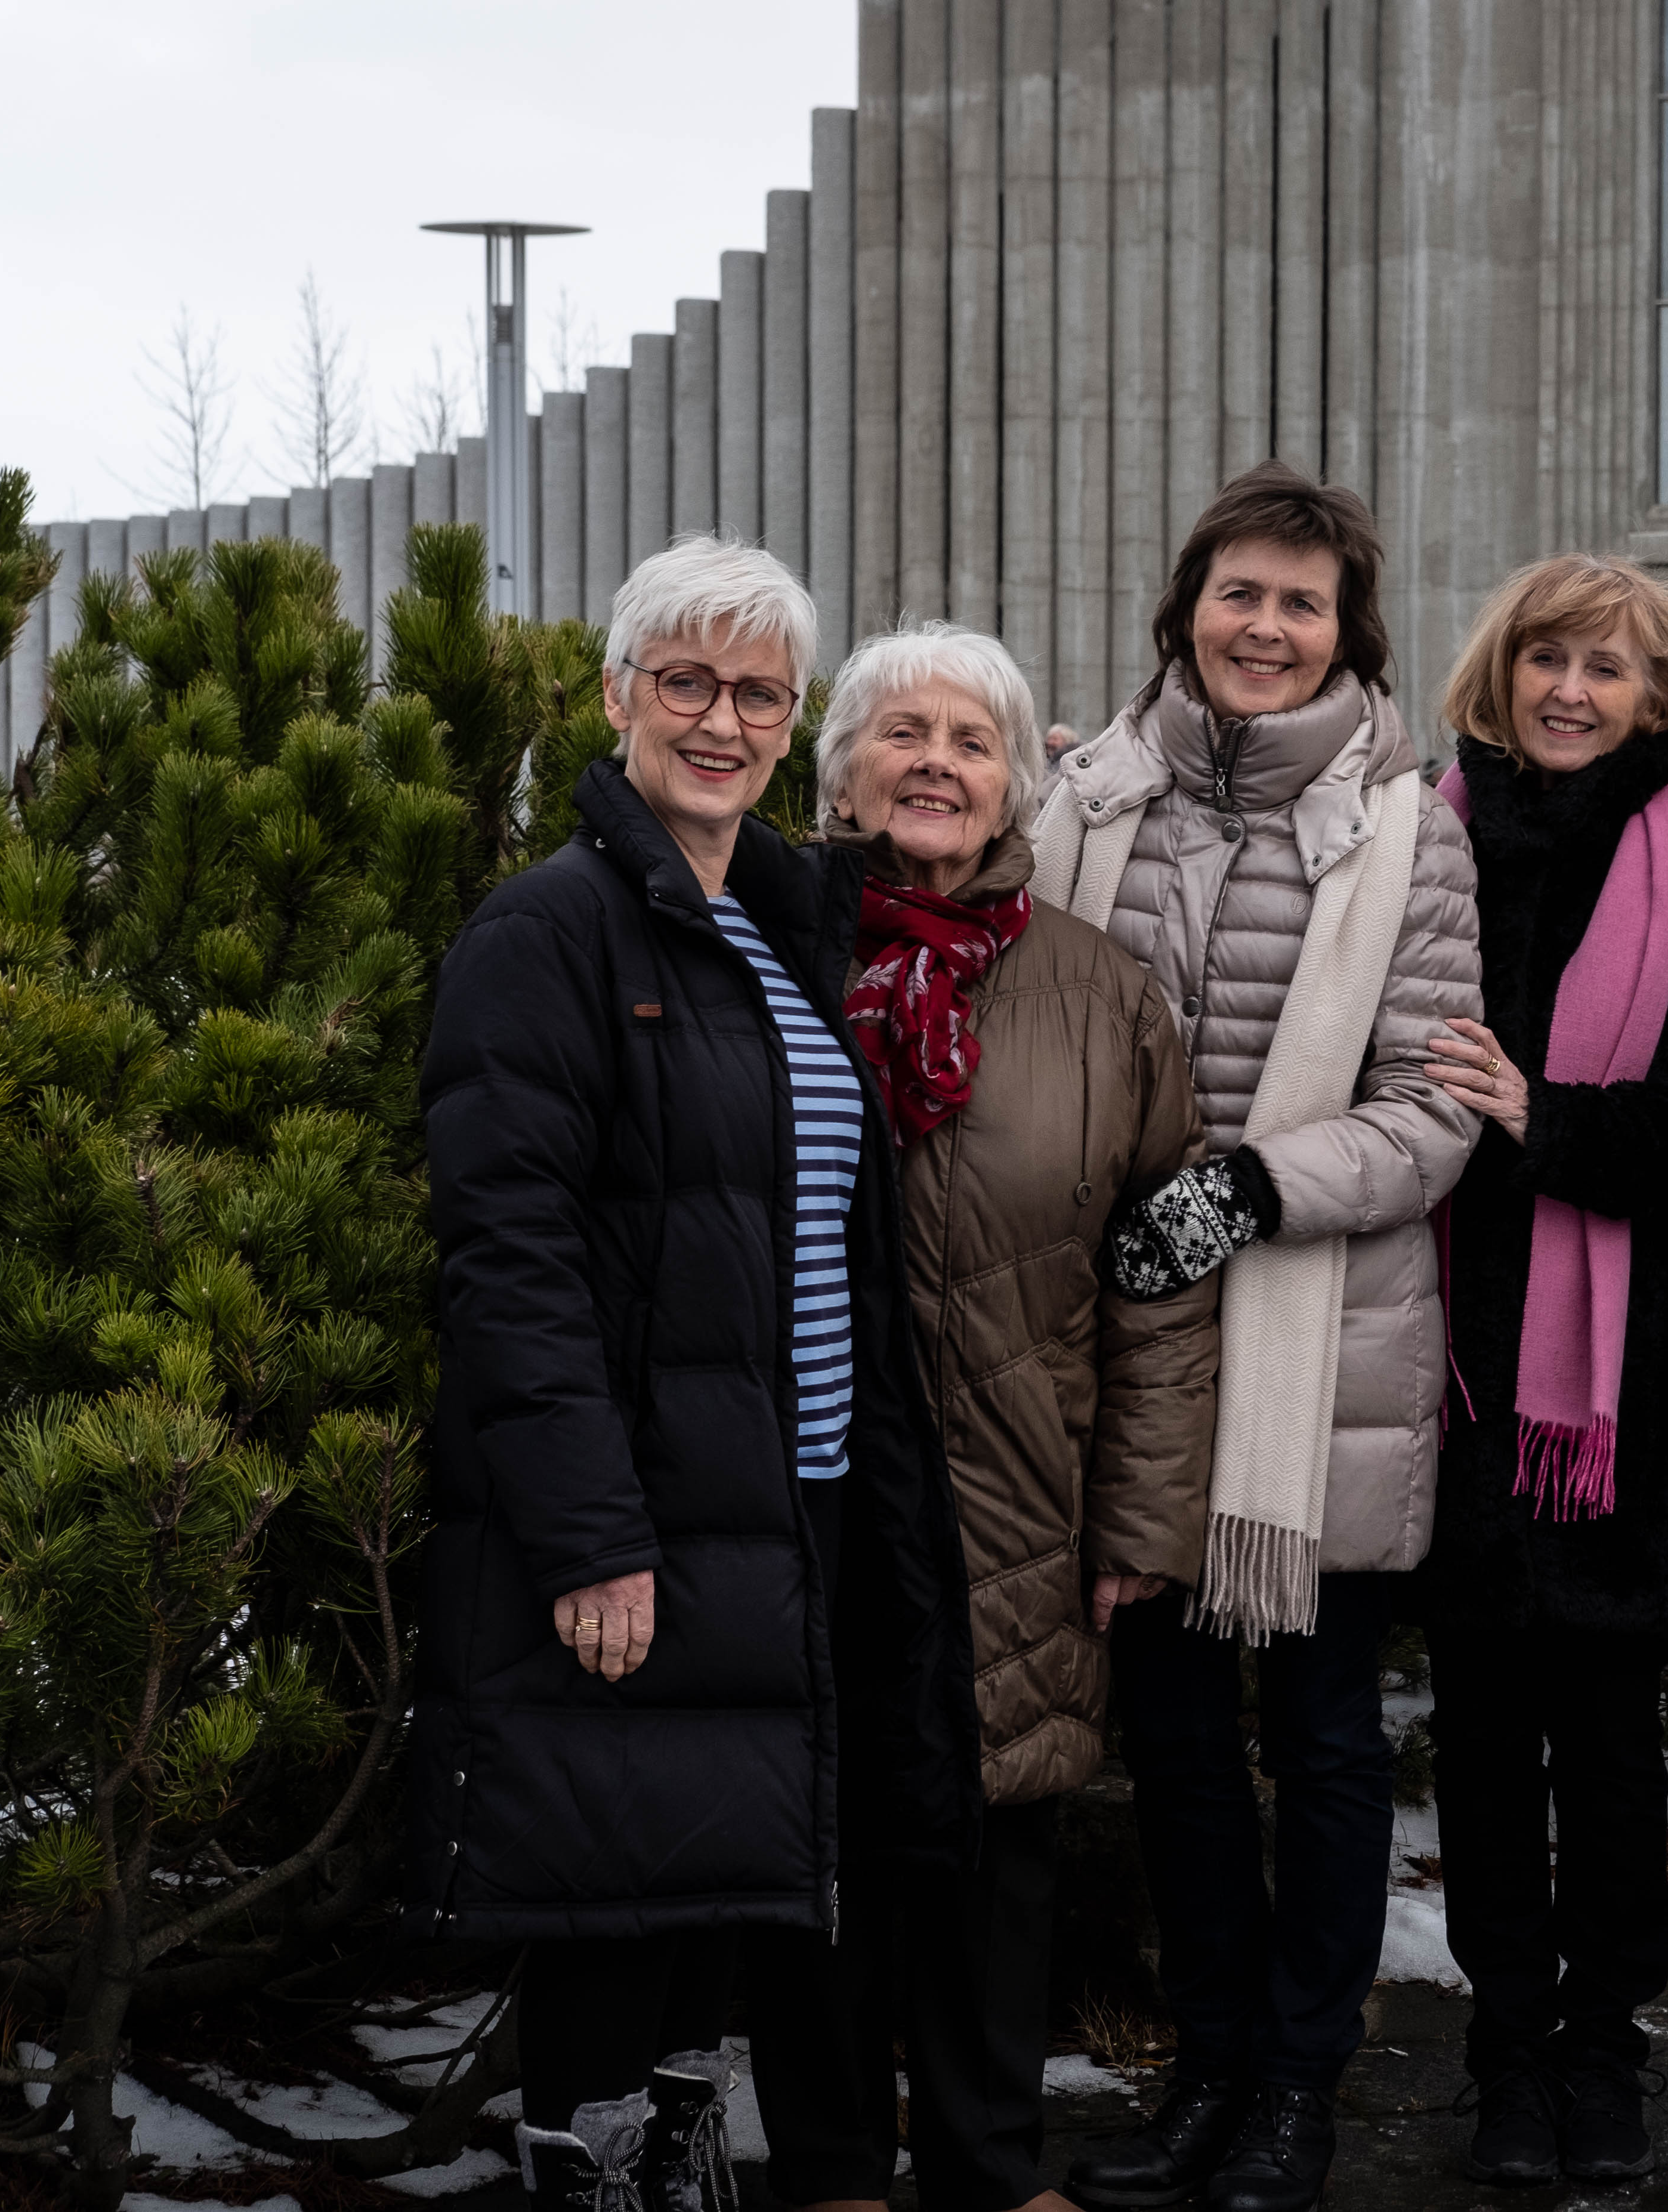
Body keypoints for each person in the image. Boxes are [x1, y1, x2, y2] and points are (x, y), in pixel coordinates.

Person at [405, 538, 979, 2212]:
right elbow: (509, 1257)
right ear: (617, 696)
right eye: (687, 682)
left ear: (793, 722)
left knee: (713, 1901)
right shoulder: (552, 931)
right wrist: (591, 1534)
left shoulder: (780, 927)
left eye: (759, 694)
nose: (722, 721)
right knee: (612, 1897)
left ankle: (674, 2177)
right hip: (643, 1520)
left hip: (792, 1508)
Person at [1036, 462, 1482, 2212]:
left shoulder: (1407, 828)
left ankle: (1297, 2089)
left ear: (1348, 630)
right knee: (1170, 1739)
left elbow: (1434, 1109)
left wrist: (1247, 1190)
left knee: (1321, 1741)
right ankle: (1206, 2067)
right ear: (1188, 607)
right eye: (1241, 593)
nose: (1268, 627)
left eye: (1304, 602)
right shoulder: (1088, 802)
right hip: (1128, 1352)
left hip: (1323, 1355)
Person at [740, 623, 1219, 2212]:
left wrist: (1141, 1518)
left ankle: (987, 2164)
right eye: (902, 732)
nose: (936, 763)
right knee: (817, 1834)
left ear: (1018, 781)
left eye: (972, 739)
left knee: (998, 1844)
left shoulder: (1100, 992)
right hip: (808, 1482)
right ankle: (829, 2167)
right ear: (840, 772)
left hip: (1018, 1489)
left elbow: (1163, 1277)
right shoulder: (761, 955)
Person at [1417, 554, 1668, 2191]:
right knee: (1479, 1743)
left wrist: (1547, 1119)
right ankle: (1507, 2053)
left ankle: (1604, 2054)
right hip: (1448, 1370)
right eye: (1545, 660)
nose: (1570, 691)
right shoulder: (1424, 842)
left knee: (1605, 1739)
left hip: (1622, 1389)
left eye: (1607, 667)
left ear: (1664, 698)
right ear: (1498, 675)